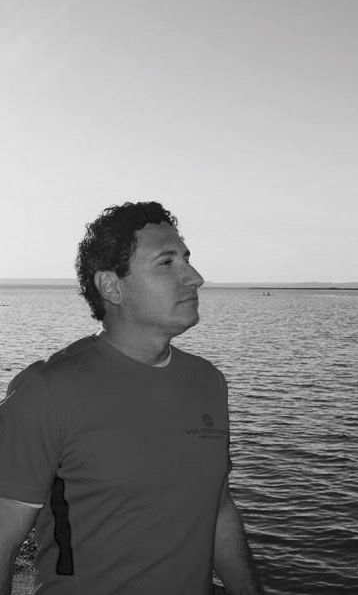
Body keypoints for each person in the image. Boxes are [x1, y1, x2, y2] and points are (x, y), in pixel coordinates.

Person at [0, 201, 264, 595]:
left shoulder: (208, 381)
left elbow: (219, 507)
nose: (195, 278)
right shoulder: (47, 392)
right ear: (112, 286)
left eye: (187, 259)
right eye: (166, 263)